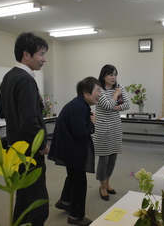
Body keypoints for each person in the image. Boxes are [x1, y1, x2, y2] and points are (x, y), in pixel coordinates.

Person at [0, 32, 50, 225]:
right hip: (30, 153)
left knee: (22, 198)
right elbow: (29, 121)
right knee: (38, 203)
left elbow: (5, 112)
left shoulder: (8, 77)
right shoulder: (26, 80)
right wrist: (42, 144)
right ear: (26, 54)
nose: (44, 59)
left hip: (15, 149)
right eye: (41, 54)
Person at [48, 77, 101, 226]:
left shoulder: (78, 104)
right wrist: (92, 124)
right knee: (79, 182)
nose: (100, 94)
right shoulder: (79, 107)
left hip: (69, 149)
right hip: (73, 151)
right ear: (86, 93)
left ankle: (65, 201)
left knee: (72, 177)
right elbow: (80, 133)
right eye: (98, 90)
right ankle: (75, 216)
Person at [93, 64, 130, 201]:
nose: (114, 77)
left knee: (113, 158)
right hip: (102, 129)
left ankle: (107, 183)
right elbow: (107, 105)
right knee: (104, 158)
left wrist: (113, 106)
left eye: (115, 74)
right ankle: (101, 186)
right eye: (111, 74)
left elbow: (126, 105)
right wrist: (115, 96)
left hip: (115, 127)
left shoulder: (119, 88)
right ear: (104, 76)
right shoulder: (99, 90)